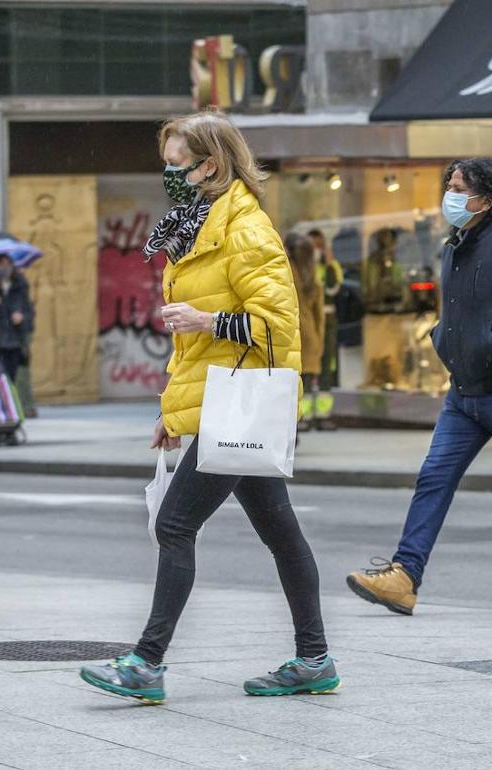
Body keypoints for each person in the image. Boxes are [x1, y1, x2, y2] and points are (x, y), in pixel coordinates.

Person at [79, 111, 337, 704]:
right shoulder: (196, 227)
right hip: (225, 396)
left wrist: (205, 318)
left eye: (177, 164)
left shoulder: (245, 227)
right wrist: (173, 414)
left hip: (243, 399)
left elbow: (280, 327)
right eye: (166, 162)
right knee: (280, 531)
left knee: (174, 525)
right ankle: (315, 658)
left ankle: (145, 665)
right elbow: (194, 349)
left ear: (211, 164)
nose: (169, 174)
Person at [345, 157, 492, 617]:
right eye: (449, 186)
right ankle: (404, 577)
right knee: (433, 478)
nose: (449, 196)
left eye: (459, 188)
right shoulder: (454, 246)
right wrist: (442, 338)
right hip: (463, 393)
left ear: (486, 199)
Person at [286, 232, 330, 431]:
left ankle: (292, 423)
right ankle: (301, 419)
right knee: (302, 383)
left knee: (286, 385)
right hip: (309, 336)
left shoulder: (282, 273)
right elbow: (319, 315)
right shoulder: (313, 278)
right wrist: (319, 342)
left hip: (287, 335)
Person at [0, 253, 35, 395]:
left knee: (14, 374)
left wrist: (21, 317)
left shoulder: (20, 285)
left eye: (7, 264)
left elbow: (29, 311)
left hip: (16, 339)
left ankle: (15, 407)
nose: (4, 268)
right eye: (0, 265)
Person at [308, 228, 343, 407]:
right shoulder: (302, 266)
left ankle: (323, 413)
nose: (316, 250)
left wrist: (328, 264)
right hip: (308, 319)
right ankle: (304, 415)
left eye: (318, 246)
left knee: (326, 362)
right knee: (307, 363)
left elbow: (333, 289)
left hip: (327, 316)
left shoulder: (331, 265)